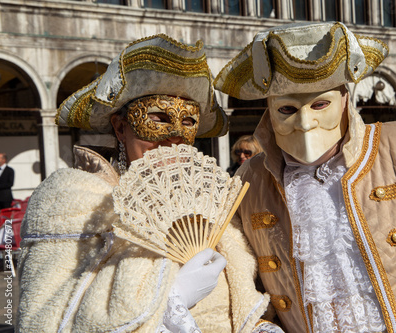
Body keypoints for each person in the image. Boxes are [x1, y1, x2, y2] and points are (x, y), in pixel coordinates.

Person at [214, 22, 396, 333]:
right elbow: (241, 300)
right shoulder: (249, 182)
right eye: (287, 109)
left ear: (345, 99)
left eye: (320, 104)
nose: (306, 123)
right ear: (268, 110)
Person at [17, 34, 282, 333]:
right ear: (120, 127)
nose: (174, 137)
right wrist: (172, 300)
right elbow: (42, 321)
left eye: (188, 121)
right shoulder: (72, 200)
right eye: (158, 118)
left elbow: (246, 303)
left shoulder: (215, 204)